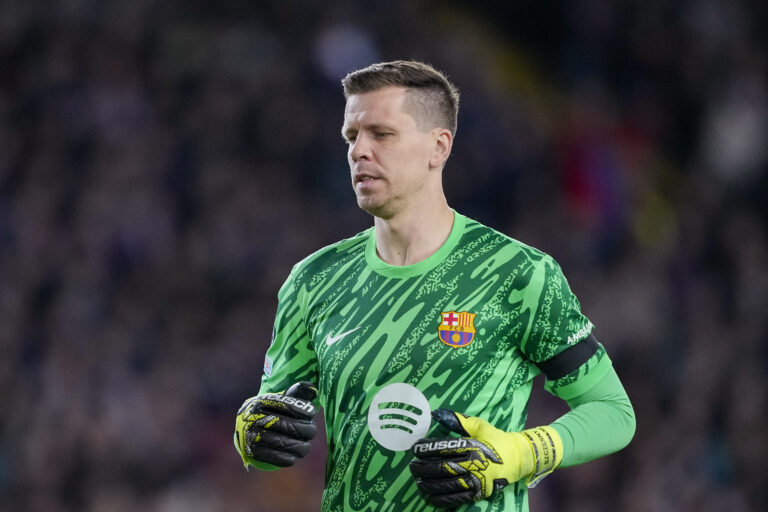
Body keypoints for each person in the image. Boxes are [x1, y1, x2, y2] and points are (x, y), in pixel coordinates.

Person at [234, 60, 635, 511]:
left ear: (438, 147)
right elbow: (275, 433)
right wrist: (252, 434)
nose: (359, 151)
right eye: (352, 136)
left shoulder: (517, 273)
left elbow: (613, 413)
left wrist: (521, 453)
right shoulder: (314, 280)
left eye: (381, 134)